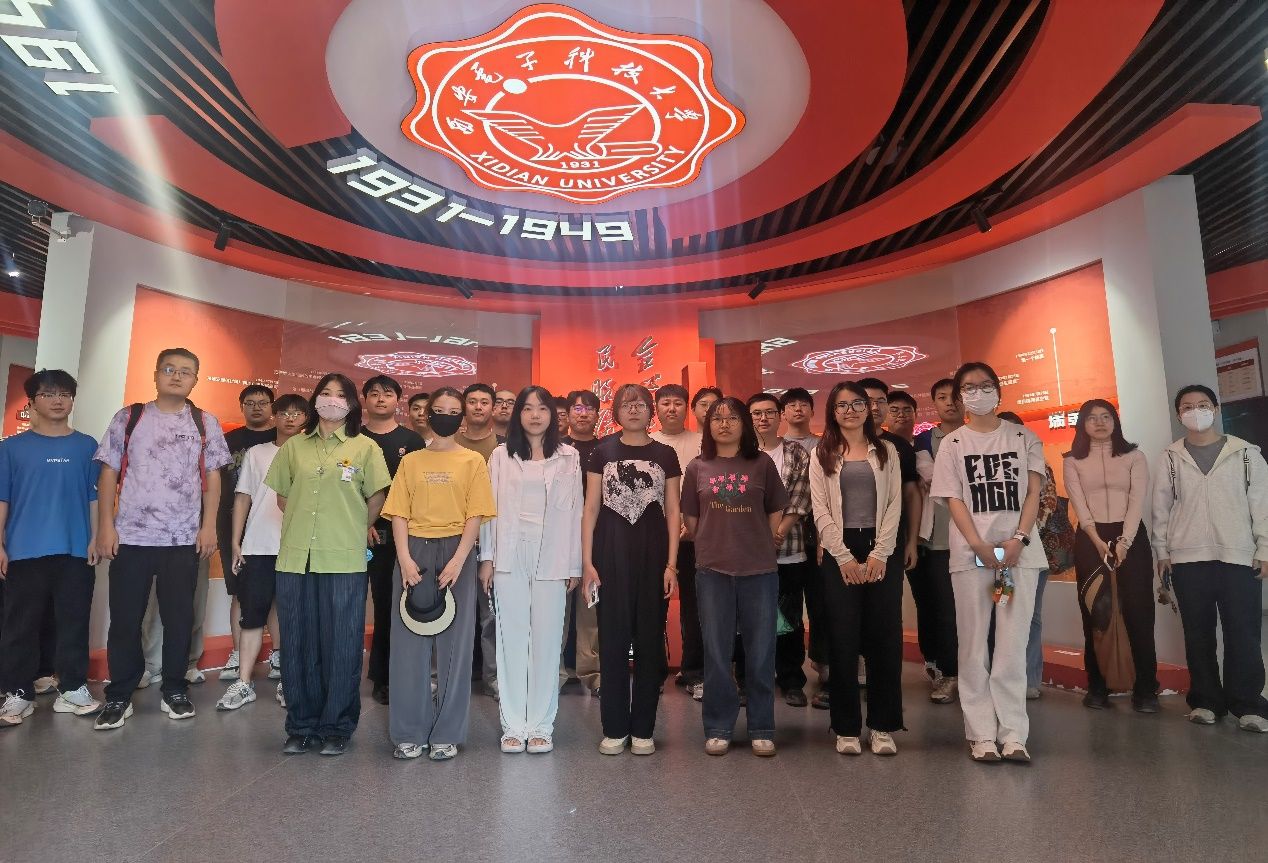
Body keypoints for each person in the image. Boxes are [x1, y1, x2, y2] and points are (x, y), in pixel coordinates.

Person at [92, 348, 232, 730]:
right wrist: (106, 526)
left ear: (195, 380)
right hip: (131, 537)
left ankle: (174, 688)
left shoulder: (204, 422)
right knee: (125, 620)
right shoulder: (130, 417)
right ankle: (119, 694)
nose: (177, 376)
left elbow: (213, 478)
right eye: (169, 369)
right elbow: (108, 473)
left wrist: (208, 527)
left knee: (179, 618)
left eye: (186, 371)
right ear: (156, 374)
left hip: (182, 539)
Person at [265, 373, 391, 756]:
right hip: (296, 556)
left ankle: (337, 726)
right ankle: (301, 725)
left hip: (343, 557)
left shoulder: (365, 447)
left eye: (340, 394)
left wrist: (351, 527)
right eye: (325, 393)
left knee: (342, 644)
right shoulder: (294, 446)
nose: (332, 399)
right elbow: (283, 497)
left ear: (351, 404)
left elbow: (376, 498)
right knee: (297, 642)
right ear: (315, 400)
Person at [930, 362, 1047, 763]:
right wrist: (978, 545)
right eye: (969, 387)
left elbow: (1032, 494)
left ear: (999, 390)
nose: (977, 393)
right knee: (973, 645)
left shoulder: (1023, 437)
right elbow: (954, 499)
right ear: (959, 396)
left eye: (985, 386)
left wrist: (1019, 539)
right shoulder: (953, 444)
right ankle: (981, 734)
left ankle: (1014, 734)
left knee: (1012, 646)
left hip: (1019, 554)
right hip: (971, 555)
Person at [382, 386, 496, 760]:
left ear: (461, 418)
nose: (445, 416)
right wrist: (404, 558)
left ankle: (447, 733)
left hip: (456, 551)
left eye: (453, 411)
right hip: (413, 550)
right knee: (408, 644)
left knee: (455, 647)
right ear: (427, 415)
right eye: (439, 410)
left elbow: (475, 514)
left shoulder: (472, 461)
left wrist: (460, 559)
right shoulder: (411, 461)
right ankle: (408, 732)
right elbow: (398, 512)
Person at [1152, 384, 1268, 733]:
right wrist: (1161, 551)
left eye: (1203, 404)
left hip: (1238, 556)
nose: (1196, 411)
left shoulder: (1245, 454)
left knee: (1243, 632)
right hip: (1188, 559)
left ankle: (1249, 705)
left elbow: (1262, 505)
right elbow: (1161, 509)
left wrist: (1264, 548)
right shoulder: (1170, 458)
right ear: (1179, 415)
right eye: (1187, 406)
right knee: (1198, 633)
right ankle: (1205, 701)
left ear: (1216, 409)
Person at [682, 397, 788, 756]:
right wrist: (713, 541)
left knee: (761, 652)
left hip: (759, 570)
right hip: (713, 570)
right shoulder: (698, 467)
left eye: (731, 418)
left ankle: (762, 727)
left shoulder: (762, 463)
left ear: (744, 424)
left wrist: (761, 540)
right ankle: (718, 726)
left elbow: (775, 508)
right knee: (716, 652)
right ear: (708, 426)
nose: (724, 424)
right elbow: (692, 520)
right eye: (717, 418)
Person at [480, 386, 583, 753]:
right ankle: (513, 724)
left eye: (542, 408)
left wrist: (574, 564)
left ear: (553, 415)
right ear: (518, 415)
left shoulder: (569, 457)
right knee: (510, 640)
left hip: (552, 555)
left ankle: (540, 724)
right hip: (509, 553)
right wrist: (487, 558)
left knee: (547, 641)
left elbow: (576, 513)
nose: (535, 415)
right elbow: (488, 510)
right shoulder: (500, 456)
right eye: (527, 408)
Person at [582, 384, 680, 755]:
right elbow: (591, 508)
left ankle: (643, 729)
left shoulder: (665, 454)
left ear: (650, 410)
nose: (634, 409)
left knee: (650, 642)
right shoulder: (602, 452)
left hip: (654, 558)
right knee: (612, 641)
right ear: (617, 412)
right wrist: (588, 562)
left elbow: (673, 510)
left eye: (640, 404)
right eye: (627, 404)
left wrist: (671, 564)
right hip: (609, 558)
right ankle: (614, 728)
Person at [0, 370, 101, 726]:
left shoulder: (87, 446)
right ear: (31, 402)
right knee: (20, 624)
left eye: (64, 394)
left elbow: (94, 497)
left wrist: (96, 536)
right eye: (48, 394)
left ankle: (72, 688)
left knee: (74, 621)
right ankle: (18, 693)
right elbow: (3, 499)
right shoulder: (11, 448)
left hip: (75, 549)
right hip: (23, 550)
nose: (58, 400)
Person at [809, 382, 904, 756]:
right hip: (840, 550)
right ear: (832, 412)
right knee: (843, 638)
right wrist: (844, 557)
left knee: (884, 638)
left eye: (857, 403)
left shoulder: (887, 451)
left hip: (882, 547)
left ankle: (882, 726)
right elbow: (820, 510)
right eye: (842, 405)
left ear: (869, 408)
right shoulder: (822, 453)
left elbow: (895, 503)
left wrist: (881, 553)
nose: (850, 411)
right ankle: (846, 727)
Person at [1062, 399, 1158, 712]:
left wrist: (1125, 542)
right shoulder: (1072, 460)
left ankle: (1146, 688)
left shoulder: (1134, 456)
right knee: (1095, 612)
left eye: (1106, 416)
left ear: (1115, 421)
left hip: (1131, 537)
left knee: (1139, 611)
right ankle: (1097, 686)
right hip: (1090, 539)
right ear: (1082, 424)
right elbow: (1078, 503)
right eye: (1092, 418)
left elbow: (1137, 500)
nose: (1100, 422)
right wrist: (1095, 539)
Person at [217, 395, 308, 712]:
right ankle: (244, 682)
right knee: (252, 615)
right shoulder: (257, 453)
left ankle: (288, 681)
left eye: (297, 413)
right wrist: (236, 541)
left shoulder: (313, 453)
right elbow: (242, 497)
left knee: (292, 617)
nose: (290, 418)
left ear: (306, 418)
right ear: (275, 416)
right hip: (257, 546)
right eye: (284, 412)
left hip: (298, 547)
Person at [360, 375, 425, 705]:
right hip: (354, 534)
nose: (380, 399)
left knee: (388, 606)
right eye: (374, 394)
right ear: (364, 400)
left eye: (387, 394)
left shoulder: (411, 440)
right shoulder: (353, 437)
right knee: (350, 606)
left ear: (398, 400)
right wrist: (363, 522)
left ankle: (383, 676)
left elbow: (417, 490)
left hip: (397, 537)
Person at [748, 392, 813, 708]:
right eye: (756, 413)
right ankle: (749, 680)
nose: (763, 418)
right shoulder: (741, 454)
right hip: (746, 553)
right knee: (748, 618)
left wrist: (778, 532)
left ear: (780, 416)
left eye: (769, 412)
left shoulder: (796, 452)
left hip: (788, 549)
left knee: (788, 617)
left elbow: (801, 497)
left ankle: (791, 680)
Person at [996, 411, 1063, 701]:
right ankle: (1001, 677)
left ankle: (1029, 678)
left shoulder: (1038, 464)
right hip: (996, 552)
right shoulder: (990, 464)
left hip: (1032, 552)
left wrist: (1019, 538)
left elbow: (1047, 504)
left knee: (1030, 615)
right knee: (998, 608)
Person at [216, 385, 278, 685]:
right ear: (241, 406)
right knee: (240, 591)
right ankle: (238, 653)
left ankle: (278, 655)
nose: (256, 408)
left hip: (274, 527)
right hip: (234, 525)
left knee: (277, 595)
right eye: (250, 403)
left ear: (272, 408)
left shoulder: (284, 440)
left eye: (263, 402)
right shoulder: (228, 441)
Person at [911, 379, 963, 703]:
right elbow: (932, 478)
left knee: (976, 609)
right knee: (942, 611)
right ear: (934, 404)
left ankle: (974, 672)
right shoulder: (924, 440)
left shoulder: (979, 435)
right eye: (942, 397)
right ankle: (948, 673)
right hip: (937, 540)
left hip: (975, 540)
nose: (950, 402)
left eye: (955, 396)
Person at [651, 383, 704, 694]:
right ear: (656, 408)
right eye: (665, 403)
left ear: (687, 408)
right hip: (658, 538)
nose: (671, 409)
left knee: (696, 609)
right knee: (654, 607)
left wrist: (692, 525)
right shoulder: (649, 442)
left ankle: (694, 672)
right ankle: (655, 673)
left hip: (697, 539)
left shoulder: (702, 442)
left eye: (678, 403)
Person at [780, 387, 829, 706]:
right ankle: (789, 674)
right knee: (789, 609)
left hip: (822, 539)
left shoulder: (826, 445)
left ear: (812, 411)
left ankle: (825, 668)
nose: (798, 409)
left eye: (803, 404)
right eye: (791, 405)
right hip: (790, 541)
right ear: (782, 413)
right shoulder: (774, 448)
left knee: (823, 607)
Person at [456, 382, 502, 698]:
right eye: (472, 401)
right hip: (454, 539)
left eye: (484, 402)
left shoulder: (503, 447)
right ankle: (451, 678)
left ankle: (494, 678)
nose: (477, 407)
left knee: (491, 617)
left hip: (491, 540)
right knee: (454, 613)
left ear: (493, 408)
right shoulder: (449, 442)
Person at [562, 389, 602, 696]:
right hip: (560, 539)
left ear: (598, 414)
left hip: (596, 538)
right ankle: (556, 674)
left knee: (590, 609)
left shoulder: (607, 449)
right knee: (556, 610)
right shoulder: (555, 449)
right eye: (577, 408)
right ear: (568, 414)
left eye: (589, 408)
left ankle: (592, 674)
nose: (583, 413)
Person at [780, 387, 821, 453]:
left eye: (803, 405)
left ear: (812, 413)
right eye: (793, 405)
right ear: (783, 414)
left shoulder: (823, 444)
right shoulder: (777, 445)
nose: (798, 409)